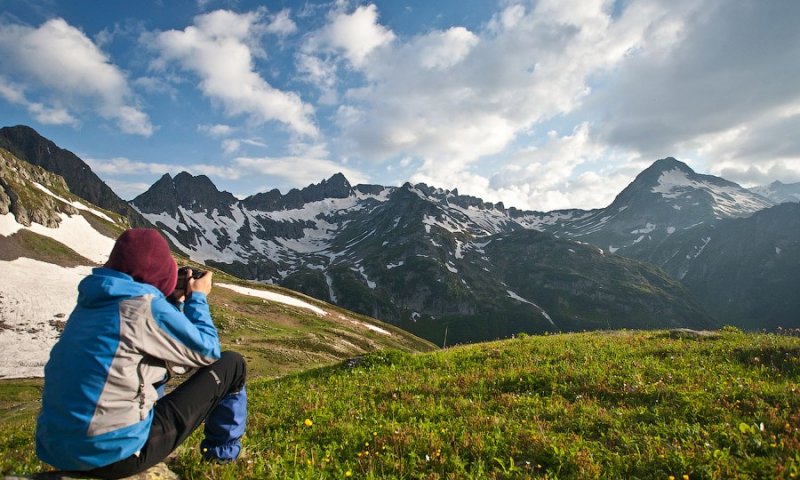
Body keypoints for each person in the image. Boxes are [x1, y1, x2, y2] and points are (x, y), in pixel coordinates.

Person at [35, 228, 247, 479]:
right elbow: (207, 351)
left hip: (56, 451)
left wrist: (173, 304)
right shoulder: (143, 304)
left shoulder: (91, 302)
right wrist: (197, 298)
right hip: (114, 456)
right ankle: (221, 456)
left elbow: (157, 348)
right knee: (232, 364)